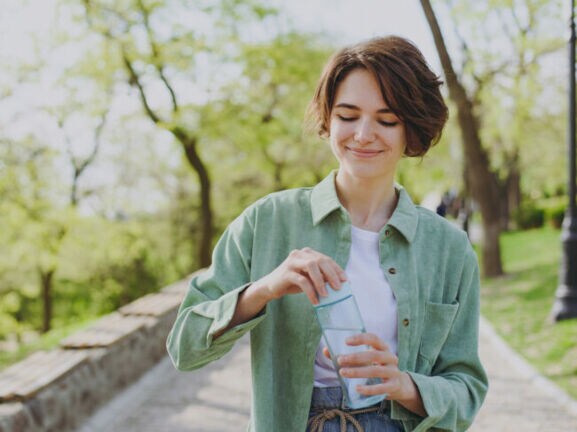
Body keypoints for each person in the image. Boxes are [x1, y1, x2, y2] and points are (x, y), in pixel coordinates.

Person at [166, 35, 488, 432]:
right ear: (327, 120)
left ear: (412, 129)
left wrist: (404, 386)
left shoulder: (449, 248)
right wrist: (262, 291)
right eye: (347, 116)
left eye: (386, 120)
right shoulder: (267, 220)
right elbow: (184, 347)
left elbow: (467, 390)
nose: (363, 134)